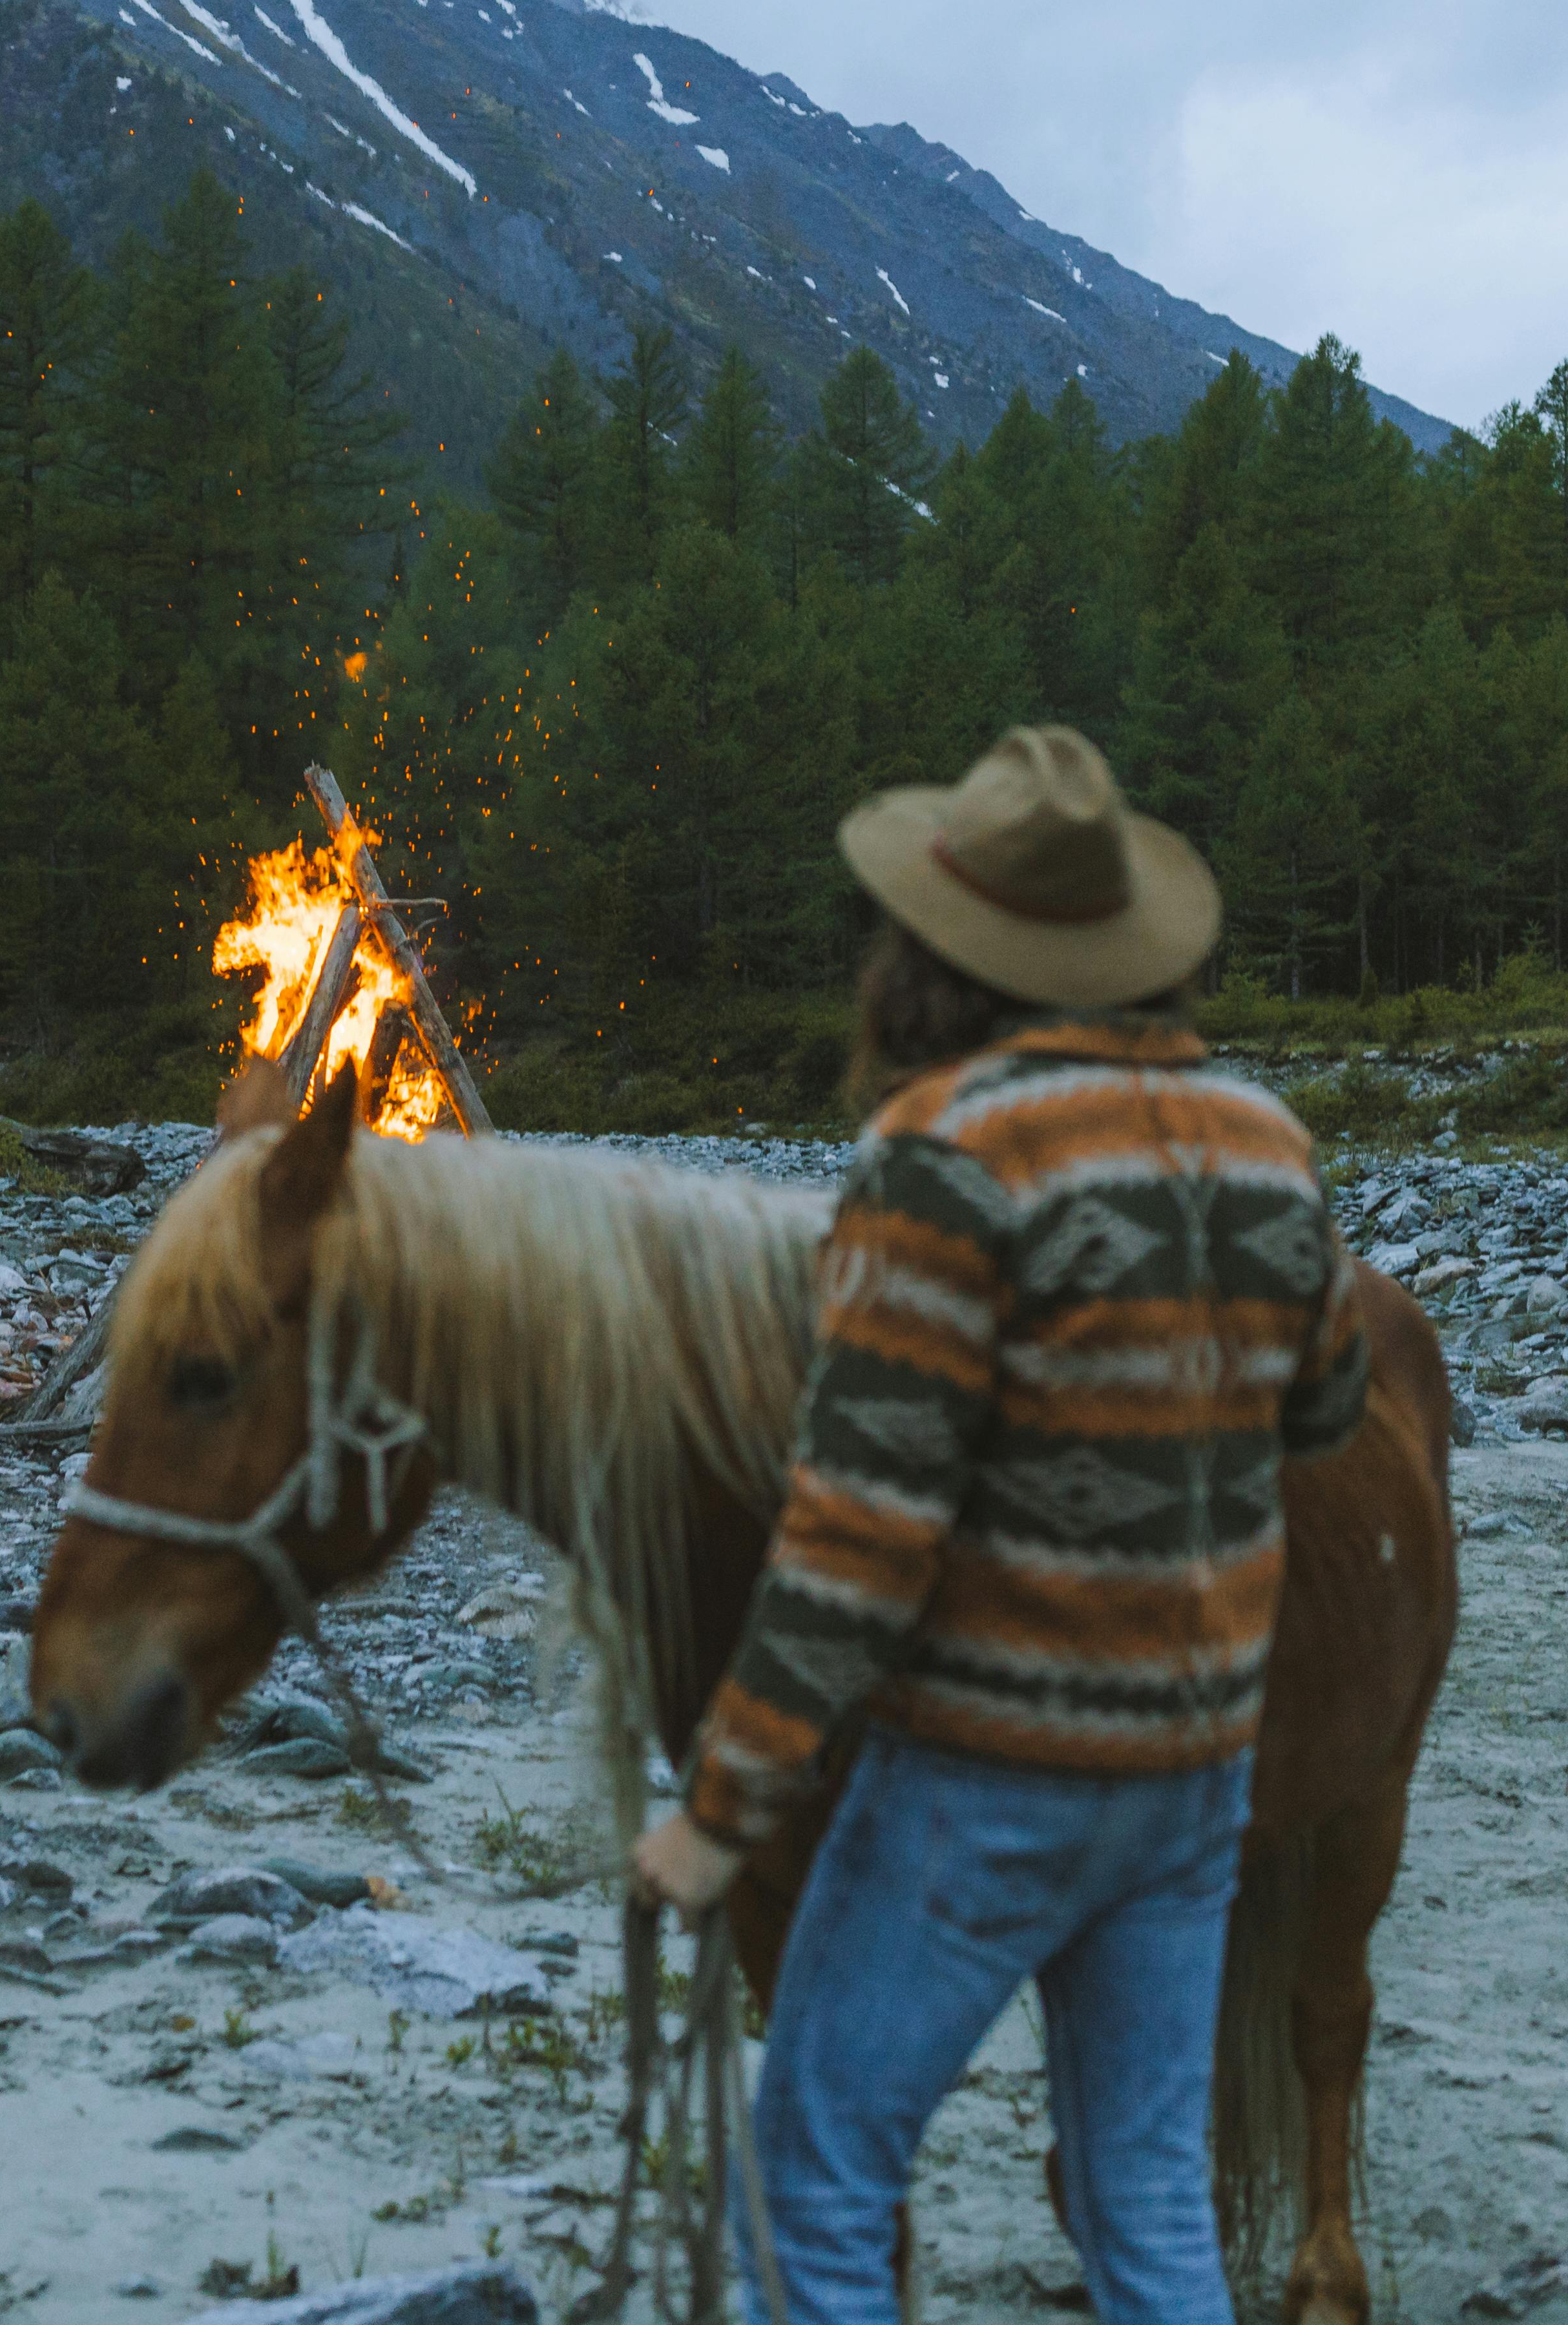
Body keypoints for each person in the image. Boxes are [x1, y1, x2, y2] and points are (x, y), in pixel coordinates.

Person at [629, 724, 1364, 2324]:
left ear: (934, 954)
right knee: (1149, 2200)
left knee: (817, 2178)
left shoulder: (944, 1153)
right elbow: (1324, 1410)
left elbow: (857, 1540)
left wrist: (717, 1808)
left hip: (987, 1777)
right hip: (1191, 1775)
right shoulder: (1269, 1140)